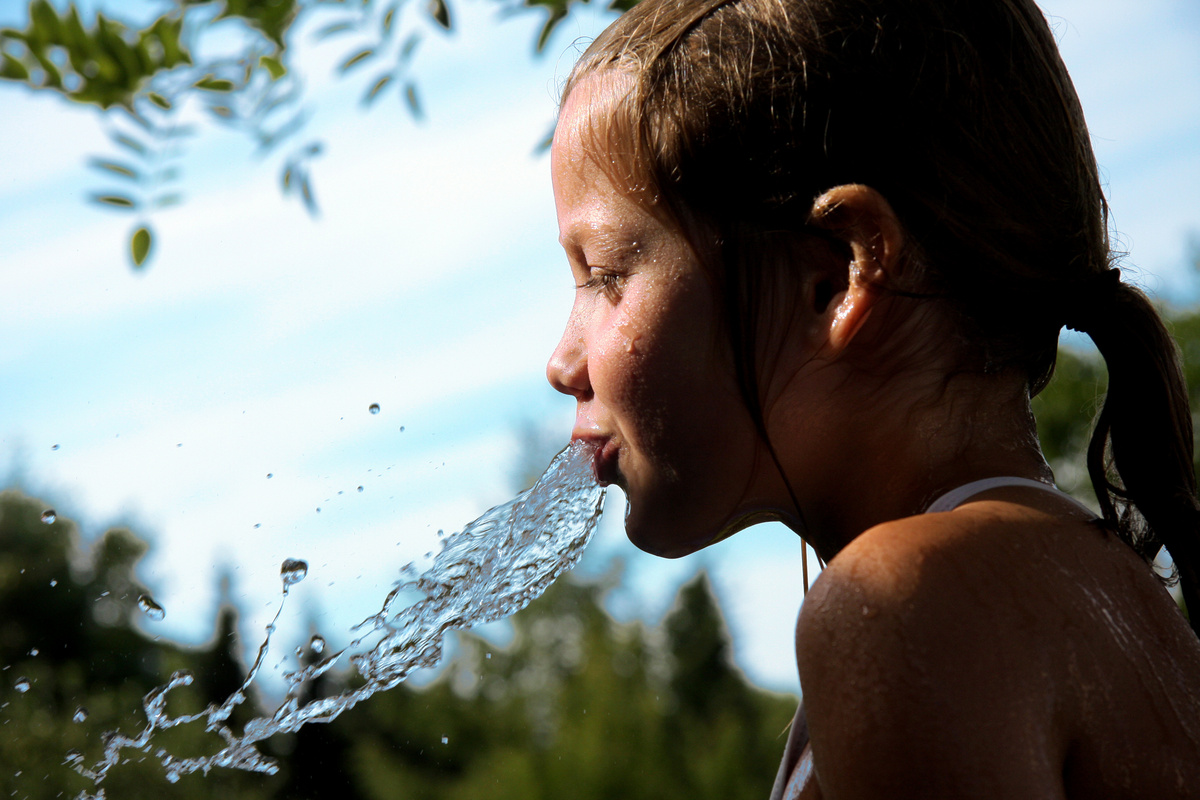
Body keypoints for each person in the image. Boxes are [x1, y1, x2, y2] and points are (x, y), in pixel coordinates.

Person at [543, 0, 1200, 796]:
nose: (562, 361)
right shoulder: (1121, 601)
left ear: (835, 278)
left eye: (606, 275)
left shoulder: (904, 607)